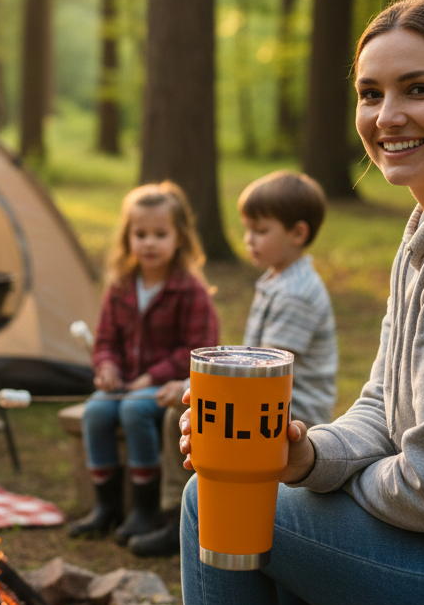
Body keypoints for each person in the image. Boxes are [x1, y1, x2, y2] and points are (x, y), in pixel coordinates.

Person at [179, 0, 424, 605]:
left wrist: (322, 481)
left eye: (418, 89)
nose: (387, 115)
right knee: (267, 491)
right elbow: (382, 404)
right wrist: (307, 456)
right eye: (371, 94)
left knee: (212, 502)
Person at [129, 171, 337, 558]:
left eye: (260, 230)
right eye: (246, 229)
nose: (248, 239)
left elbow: (264, 376)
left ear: (298, 233)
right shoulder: (278, 280)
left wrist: (193, 387)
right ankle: (179, 510)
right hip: (261, 400)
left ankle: (186, 512)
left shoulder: (296, 293)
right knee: (184, 413)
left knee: (191, 412)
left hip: (289, 414)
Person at [69, 182, 219, 544]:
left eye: (160, 234)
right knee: (95, 411)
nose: (149, 243)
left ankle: (145, 507)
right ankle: (106, 506)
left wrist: (151, 377)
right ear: (127, 238)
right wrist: (107, 368)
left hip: (167, 388)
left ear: (179, 238)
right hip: (124, 384)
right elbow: (106, 341)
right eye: (140, 234)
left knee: (134, 410)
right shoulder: (120, 286)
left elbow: (197, 349)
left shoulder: (190, 290)